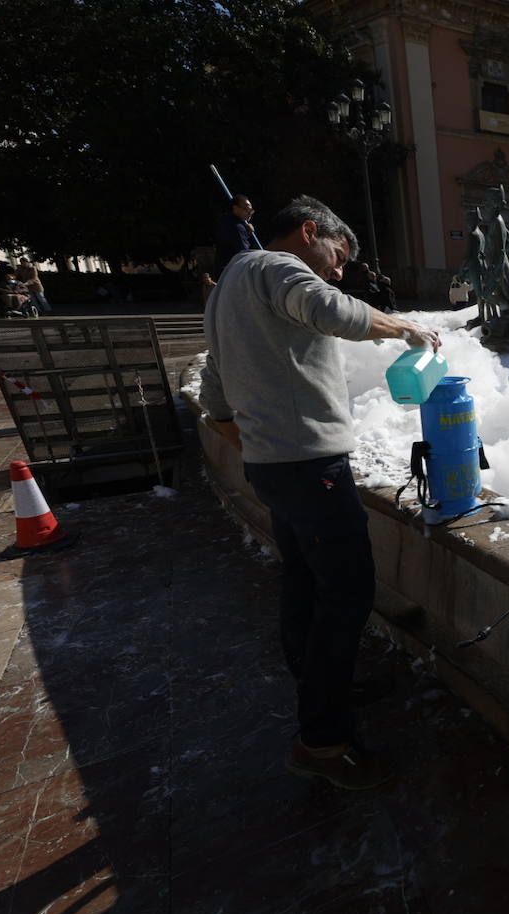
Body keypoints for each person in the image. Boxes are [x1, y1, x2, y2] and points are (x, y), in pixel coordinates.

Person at [198, 195, 440, 789]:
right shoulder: (279, 268)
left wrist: (258, 447)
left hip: (274, 467)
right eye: (337, 254)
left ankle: (320, 686)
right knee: (349, 592)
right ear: (309, 232)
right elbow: (330, 309)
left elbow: (214, 394)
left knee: (304, 582)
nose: (338, 269)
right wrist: (406, 327)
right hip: (311, 467)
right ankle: (323, 741)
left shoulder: (230, 281)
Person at [214, 194, 258, 275]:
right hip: (233, 272)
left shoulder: (225, 220)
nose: (250, 213)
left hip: (224, 270)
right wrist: (250, 234)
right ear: (235, 208)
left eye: (251, 210)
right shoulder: (237, 227)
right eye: (247, 209)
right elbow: (245, 253)